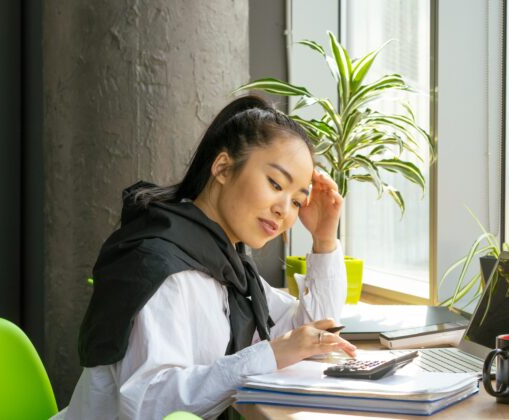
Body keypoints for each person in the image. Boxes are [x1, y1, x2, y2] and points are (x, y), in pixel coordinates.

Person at [55, 96, 357, 419]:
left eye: (297, 201)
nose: (284, 209)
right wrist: (269, 354)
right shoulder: (165, 267)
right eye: (275, 183)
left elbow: (314, 337)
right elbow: (149, 404)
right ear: (223, 167)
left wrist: (324, 239)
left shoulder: (229, 267)